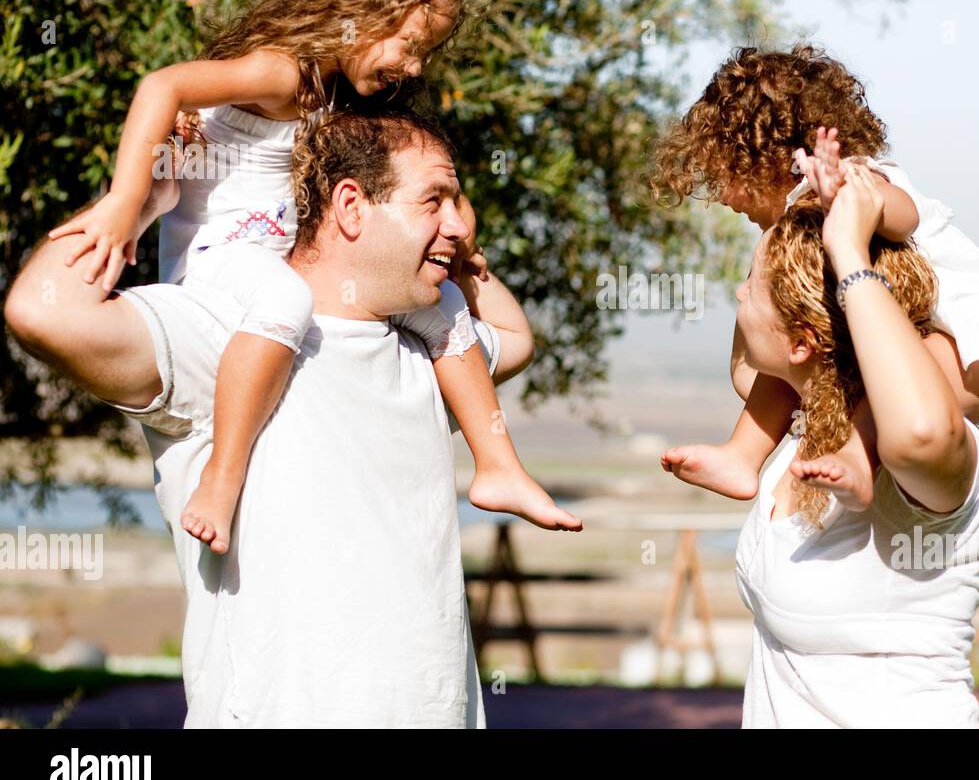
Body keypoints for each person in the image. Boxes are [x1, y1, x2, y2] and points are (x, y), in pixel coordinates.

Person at [6, 108, 570, 726]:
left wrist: (455, 255)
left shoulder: (433, 354)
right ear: (351, 206)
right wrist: (140, 202)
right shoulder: (230, 336)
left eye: (459, 202)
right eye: (434, 199)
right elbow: (43, 310)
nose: (460, 223)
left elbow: (515, 337)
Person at [42, 0, 580, 556]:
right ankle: (222, 475)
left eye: (425, 55)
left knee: (446, 310)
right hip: (220, 257)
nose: (413, 68)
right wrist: (127, 202)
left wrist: (457, 259)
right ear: (362, 5)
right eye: (409, 45)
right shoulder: (283, 72)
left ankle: (499, 467)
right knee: (285, 303)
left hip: (275, 257)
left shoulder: (332, 91)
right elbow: (165, 84)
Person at [655, 45, 979, 506]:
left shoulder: (862, 175)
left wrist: (848, 197)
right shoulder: (792, 235)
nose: (722, 196)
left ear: (762, 157)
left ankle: (860, 459)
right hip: (890, 342)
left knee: (909, 361)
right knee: (798, 352)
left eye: (723, 174)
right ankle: (743, 455)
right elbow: (763, 370)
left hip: (966, 350)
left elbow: (903, 218)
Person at [724, 166, 979, 727]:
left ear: (802, 342)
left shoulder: (923, 456)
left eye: (751, 284)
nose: (737, 291)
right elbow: (745, 370)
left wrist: (849, 253)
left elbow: (924, 431)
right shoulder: (802, 432)